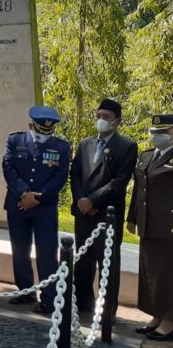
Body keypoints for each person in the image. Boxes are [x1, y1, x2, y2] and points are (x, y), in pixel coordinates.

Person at [70, 99, 137, 314]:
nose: (101, 120)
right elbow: (76, 175)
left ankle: (106, 313)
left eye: (106, 117)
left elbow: (119, 182)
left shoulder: (127, 146)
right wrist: (81, 200)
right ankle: (83, 306)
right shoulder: (84, 144)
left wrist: (93, 201)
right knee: (82, 262)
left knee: (107, 264)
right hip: (83, 214)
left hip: (107, 216)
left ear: (117, 121)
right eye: (98, 116)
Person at [2, 105, 70, 314]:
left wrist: (37, 197)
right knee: (20, 250)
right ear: (32, 125)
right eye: (40, 130)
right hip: (18, 204)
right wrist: (24, 193)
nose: (44, 136)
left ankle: (48, 298)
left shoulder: (62, 147)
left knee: (47, 254)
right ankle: (25, 291)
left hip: (44, 208)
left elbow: (60, 176)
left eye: (48, 132)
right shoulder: (15, 140)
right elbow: (8, 168)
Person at [127, 114, 173, 341]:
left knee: (167, 274)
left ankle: (169, 321)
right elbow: (138, 191)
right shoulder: (146, 156)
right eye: (154, 131)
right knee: (151, 273)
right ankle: (156, 316)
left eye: (162, 131)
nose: (156, 136)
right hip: (148, 224)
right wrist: (132, 218)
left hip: (168, 227)